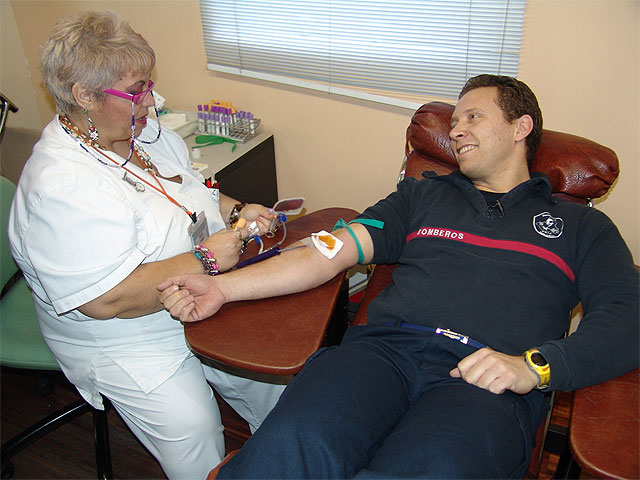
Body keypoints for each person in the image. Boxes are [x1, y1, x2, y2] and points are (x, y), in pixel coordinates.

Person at [158, 75, 639, 478]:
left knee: (428, 468)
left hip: (484, 382)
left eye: (473, 116)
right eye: (453, 123)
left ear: (521, 127)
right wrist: (221, 286)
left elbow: (627, 318)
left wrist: (534, 366)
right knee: (291, 444)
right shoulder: (420, 197)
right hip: (381, 354)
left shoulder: (581, 227)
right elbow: (326, 253)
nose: (456, 131)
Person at [7, 11, 285, 479]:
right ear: (84, 96)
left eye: (147, 83)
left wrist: (237, 212)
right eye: (135, 90)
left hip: (197, 290)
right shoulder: (60, 186)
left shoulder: (144, 132)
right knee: (194, 428)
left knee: (273, 383)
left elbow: (194, 190)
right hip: (124, 335)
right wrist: (204, 259)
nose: (150, 98)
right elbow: (105, 299)